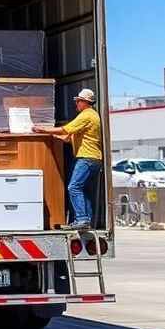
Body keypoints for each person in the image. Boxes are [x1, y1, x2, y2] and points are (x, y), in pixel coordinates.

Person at [32, 88, 102, 230]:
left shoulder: (86, 115)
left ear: (85, 102)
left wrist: (43, 129)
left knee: (74, 187)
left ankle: (82, 220)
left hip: (86, 158)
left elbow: (65, 130)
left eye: (78, 101)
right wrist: (52, 136)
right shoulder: (91, 116)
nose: (76, 104)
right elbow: (67, 138)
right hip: (93, 159)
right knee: (83, 190)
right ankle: (86, 221)